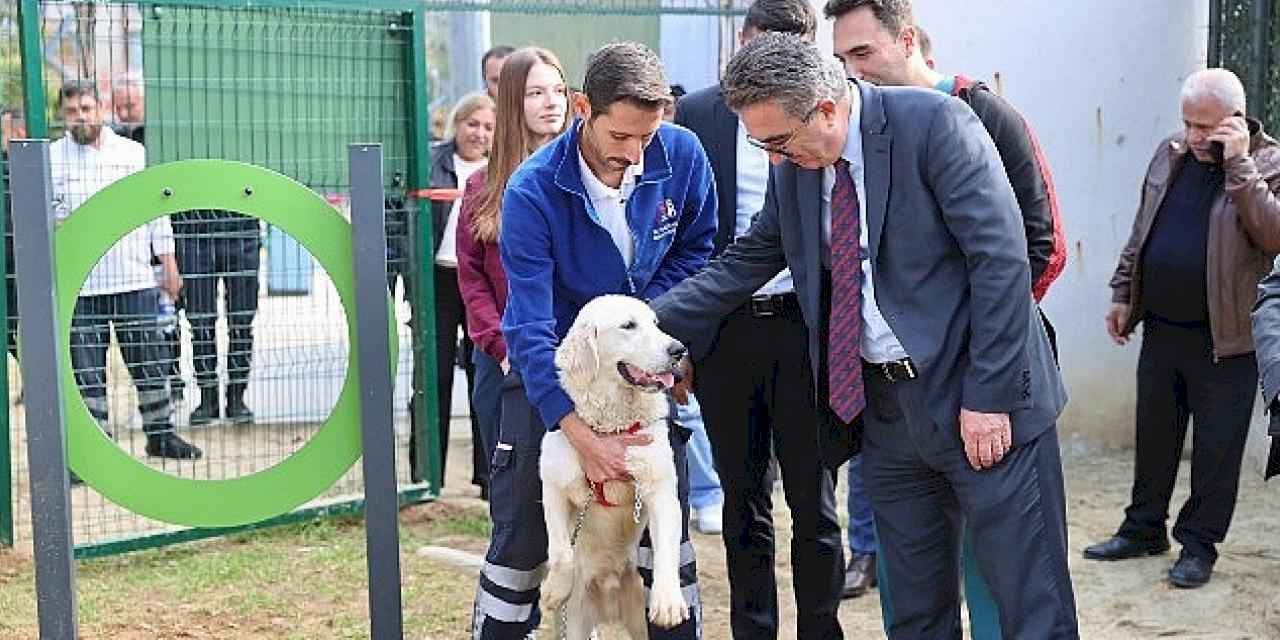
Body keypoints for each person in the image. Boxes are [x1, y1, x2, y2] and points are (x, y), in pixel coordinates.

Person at [653, 33, 1078, 638]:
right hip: (885, 414)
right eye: (760, 143)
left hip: (980, 401)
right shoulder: (800, 165)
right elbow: (747, 259)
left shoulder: (934, 124)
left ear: (826, 109)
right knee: (912, 614)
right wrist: (645, 324)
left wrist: (988, 396)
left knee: (1028, 605)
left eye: (777, 141)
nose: (772, 158)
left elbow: (1003, 260)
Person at [826, 0, 1068, 628]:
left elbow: (1036, 249)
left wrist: (975, 354)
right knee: (917, 589)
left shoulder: (981, 113)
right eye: (841, 57)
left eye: (862, 53)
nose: (852, 70)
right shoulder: (853, 140)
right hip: (900, 409)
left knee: (1005, 583)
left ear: (906, 40)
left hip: (984, 386)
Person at [470, 41, 714, 639]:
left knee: (662, 535)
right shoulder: (531, 190)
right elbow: (525, 323)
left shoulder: (681, 155)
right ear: (583, 108)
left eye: (648, 138)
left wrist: (639, 331)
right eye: (621, 137)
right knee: (525, 543)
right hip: (555, 373)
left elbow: (699, 248)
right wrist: (577, 431)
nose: (635, 156)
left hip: (638, 375)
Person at [673, 0, 851, 634]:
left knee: (815, 498)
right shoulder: (695, 116)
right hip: (724, 333)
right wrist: (679, 338)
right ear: (742, 39)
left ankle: (821, 627)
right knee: (740, 499)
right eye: (763, 42)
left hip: (804, 331)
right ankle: (753, 628)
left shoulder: (821, 124)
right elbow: (688, 243)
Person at [1086, 68, 1280, 589]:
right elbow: (1143, 226)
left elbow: (1272, 234)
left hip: (1230, 340)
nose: (1193, 136)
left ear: (1235, 121)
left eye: (1205, 126)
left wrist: (1238, 164)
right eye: (1188, 123)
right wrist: (1123, 291)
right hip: (1164, 328)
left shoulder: (1269, 164)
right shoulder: (1170, 151)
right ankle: (1144, 528)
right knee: (1155, 438)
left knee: (1216, 451)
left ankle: (1199, 546)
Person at [51, 81, 201, 460]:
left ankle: (160, 435)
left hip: (133, 278)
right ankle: (94, 452)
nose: (80, 117)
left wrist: (168, 264)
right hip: (79, 286)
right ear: (61, 116)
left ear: (101, 108)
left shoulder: (133, 154)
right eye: (71, 111)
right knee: (86, 373)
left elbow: (156, 212)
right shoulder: (52, 159)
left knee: (149, 362)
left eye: (86, 108)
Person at [456, 48, 568, 502]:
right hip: (501, 356)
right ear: (511, 103)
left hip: (570, 349)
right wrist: (501, 346)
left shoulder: (584, 175)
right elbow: (472, 278)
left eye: (559, 90)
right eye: (536, 93)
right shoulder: (481, 185)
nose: (551, 103)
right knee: (513, 487)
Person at [413, 91, 495, 486]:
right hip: (439, 281)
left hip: (480, 284)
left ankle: (488, 474)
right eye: (471, 124)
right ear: (456, 125)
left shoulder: (500, 170)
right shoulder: (431, 162)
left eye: (487, 127)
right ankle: (426, 473)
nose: (478, 133)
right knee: (434, 375)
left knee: (483, 375)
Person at [111, 72, 145, 144]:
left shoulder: (159, 133)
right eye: (118, 108)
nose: (123, 114)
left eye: (129, 106)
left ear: (145, 101)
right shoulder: (116, 137)